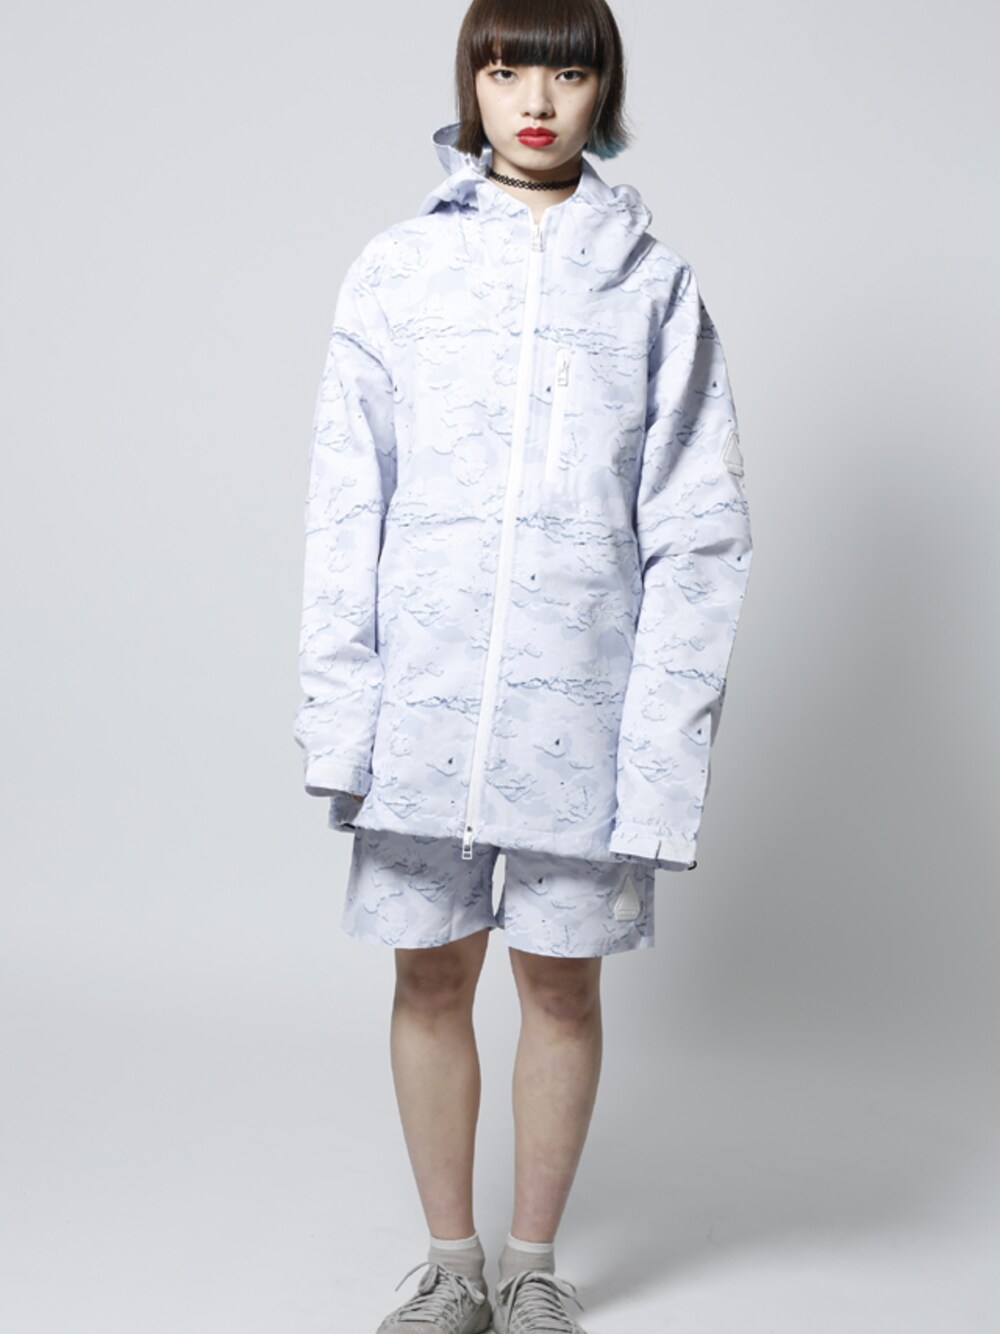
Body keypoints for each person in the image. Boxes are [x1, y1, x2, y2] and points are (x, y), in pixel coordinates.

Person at [293, 1, 753, 1330]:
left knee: (560, 981)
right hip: (423, 707)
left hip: (584, 712)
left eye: (566, 70)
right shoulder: (398, 271)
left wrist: (662, 744)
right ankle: (453, 1268)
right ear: (472, 84)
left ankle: (535, 1266)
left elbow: (699, 530)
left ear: (605, 89)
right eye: (506, 70)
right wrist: (343, 713)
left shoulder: (652, 283)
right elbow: (346, 504)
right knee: (429, 974)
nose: (536, 101)